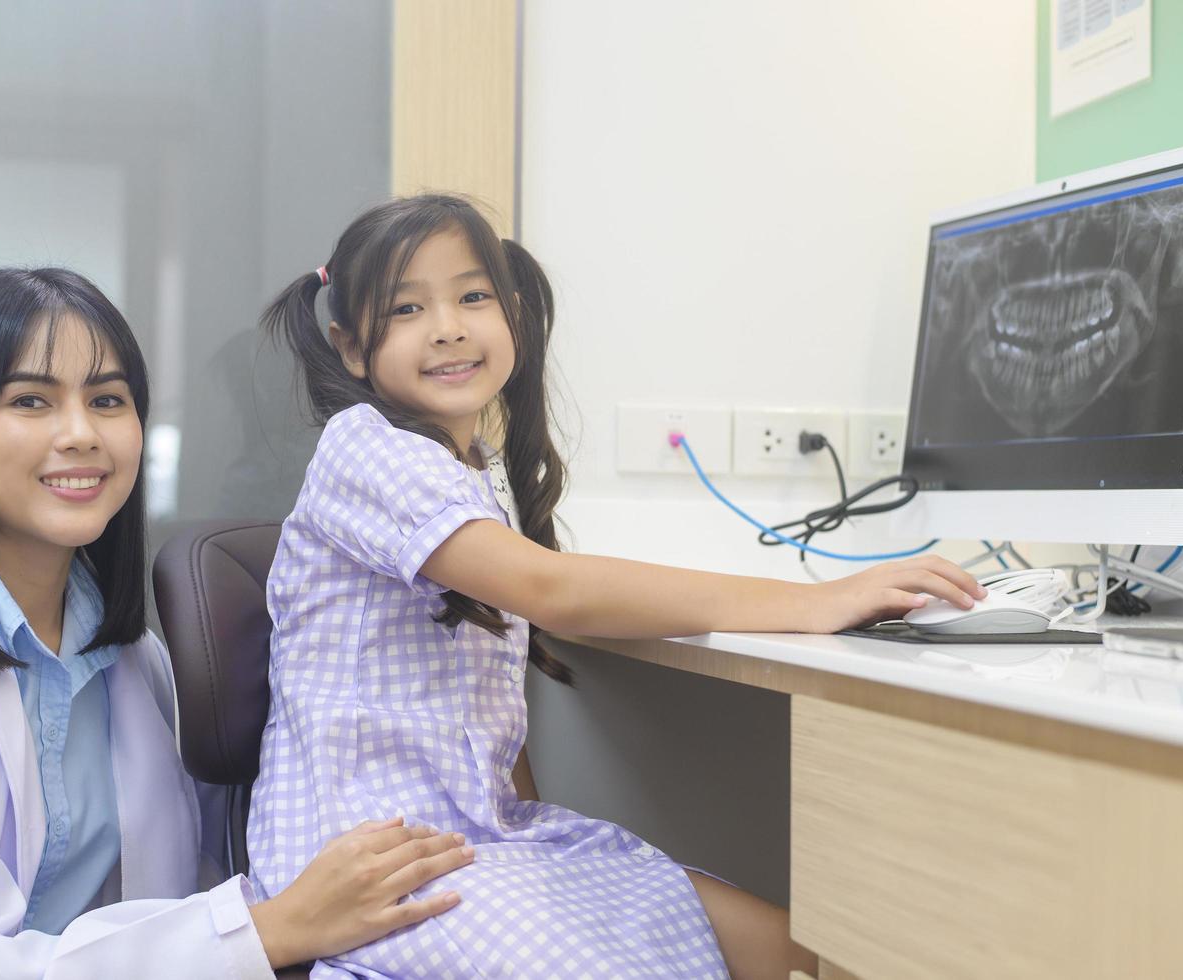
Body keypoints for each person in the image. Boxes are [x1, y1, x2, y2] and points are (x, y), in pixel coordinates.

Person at [250, 195, 988, 978]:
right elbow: (555, 592)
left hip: (478, 835)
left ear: (515, 316)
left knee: (803, 951)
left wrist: (530, 831)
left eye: (472, 296)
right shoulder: (363, 449)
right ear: (351, 348)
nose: (448, 326)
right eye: (407, 308)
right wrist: (816, 600)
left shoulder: (477, 470)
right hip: (365, 863)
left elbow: (486, 708)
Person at [0, 268, 473, 978]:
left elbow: (198, 882)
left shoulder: (131, 660)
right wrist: (269, 931)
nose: (82, 433)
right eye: (30, 400)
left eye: (108, 399)